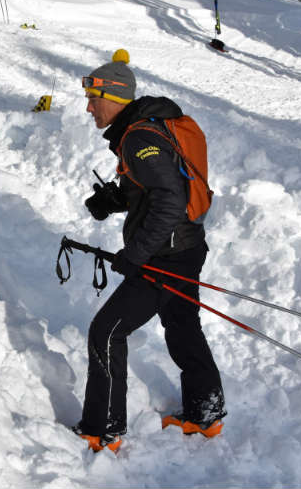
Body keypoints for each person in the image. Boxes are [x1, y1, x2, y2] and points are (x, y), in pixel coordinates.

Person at [72, 49, 226, 453]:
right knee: (182, 326)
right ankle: (204, 414)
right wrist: (113, 201)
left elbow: (169, 202)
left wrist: (136, 254)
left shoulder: (139, 138)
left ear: (114, 97)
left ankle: (101, 429)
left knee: (106, 332)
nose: (88, 107)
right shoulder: (141, 129)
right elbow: (152, 191)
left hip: (165, 257)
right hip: (187, 247)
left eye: (93, 98)